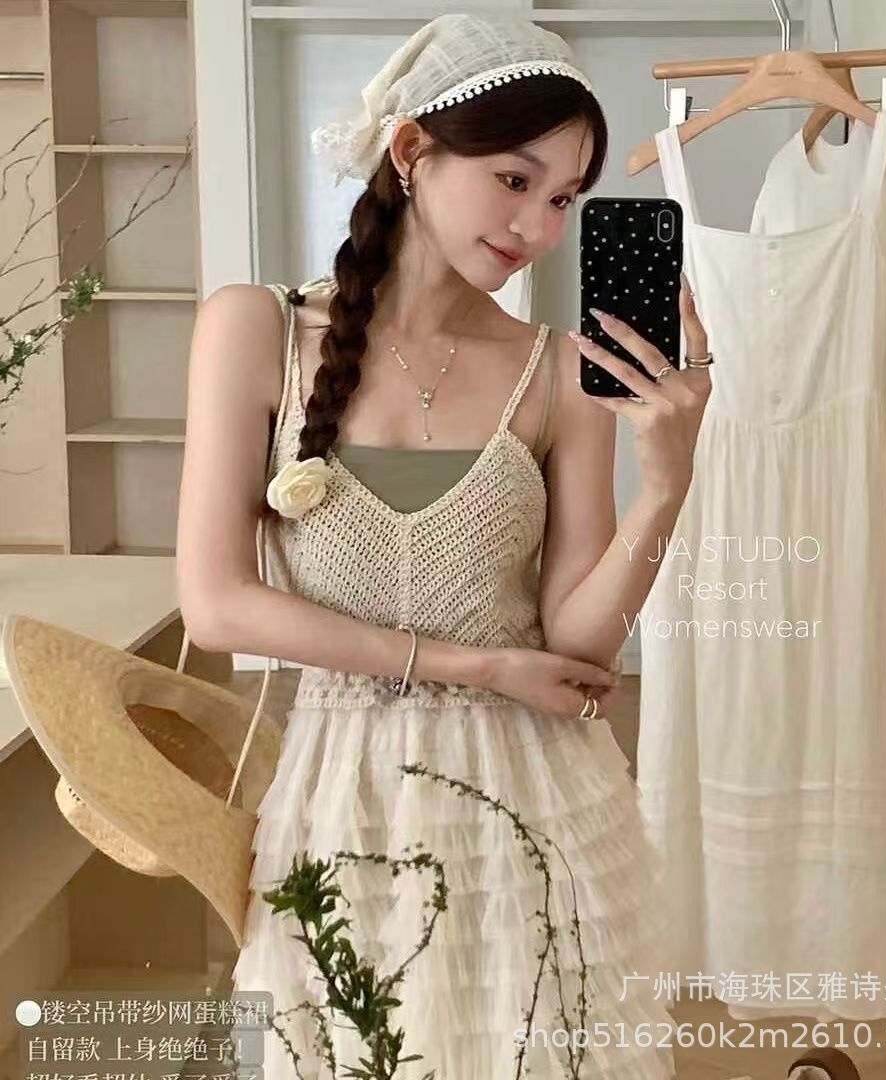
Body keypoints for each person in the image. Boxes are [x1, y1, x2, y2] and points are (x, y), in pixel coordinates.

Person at [176, 12, 711, 1079]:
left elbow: (579, 645)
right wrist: (478, 667)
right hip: (339, 795)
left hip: (539, 804)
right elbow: (217, 603)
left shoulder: (559, 372)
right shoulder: (256, 330)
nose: (539, 227)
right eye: (515, 180)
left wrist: (667, 483)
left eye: (563, 199)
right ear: (413, 149)